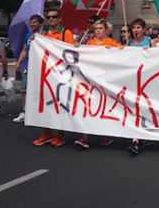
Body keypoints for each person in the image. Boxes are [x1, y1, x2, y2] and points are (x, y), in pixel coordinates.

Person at [74, 19, 123, 149]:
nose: (98, 31)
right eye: (96, 29)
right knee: (88, 106)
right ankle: (85, 136)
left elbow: (122, 55)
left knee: (105, 107)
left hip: (106, 80)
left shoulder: (111, 43)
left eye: (100, 28)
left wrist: (117, 49)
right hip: (91, 79)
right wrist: (79, 48)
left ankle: (106, 135)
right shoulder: (90, 42)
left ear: (106, 30)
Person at [33, 8, 75, 147]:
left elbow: (70, 51)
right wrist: (35, 40)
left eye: (54, 17)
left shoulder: (65, 33)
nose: (51, 19)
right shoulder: (44, 35)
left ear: (60, 19)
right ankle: (46, 132)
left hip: (61, 74)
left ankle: (60, 134)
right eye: (49, 17)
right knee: (45, 103)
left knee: (60, 104)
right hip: (47, 74)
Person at [13, 14, 45, 123]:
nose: (32, 24)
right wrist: (19, 62)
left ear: (40, 24)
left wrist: (39, 39)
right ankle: (25, 111)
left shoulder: (46, 35)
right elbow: (25, 50)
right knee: (24, 89)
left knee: (39, 91)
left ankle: (39, 111)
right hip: (28, 66)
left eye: (34, 22)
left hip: (41, 68)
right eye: (31, 22)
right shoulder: (28, 35)